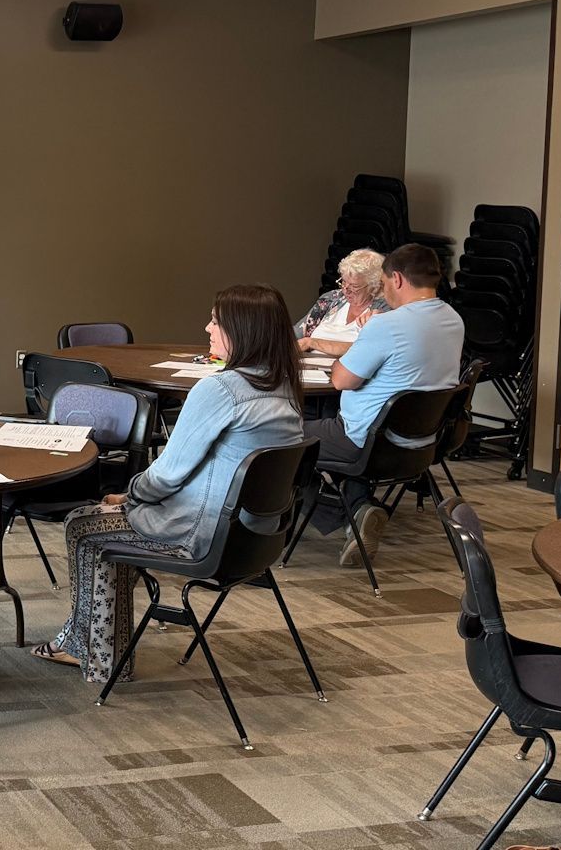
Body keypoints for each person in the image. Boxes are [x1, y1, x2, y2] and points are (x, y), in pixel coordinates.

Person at [33, 285, 305, 682]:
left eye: (216, 320)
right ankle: (97, 645)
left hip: (202, 535)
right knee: (108, 526)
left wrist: (130, 496)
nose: (207, 328)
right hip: (255, 539)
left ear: (241, 331)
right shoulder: (286, 389)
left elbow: (168, 474)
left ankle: (96, 653)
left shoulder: (220, 390)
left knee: (84, 524)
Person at [306, 243, 464, 566]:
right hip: (420, 445)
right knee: (326, 438)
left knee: (279, 436)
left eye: (384, 282)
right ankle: (360, 507)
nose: (384, 290)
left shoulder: (386, 325)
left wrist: (361, 343)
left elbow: (341, 380)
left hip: (364, 441)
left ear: (398, 280)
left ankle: (347, 512)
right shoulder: (453, 321)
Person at [296, 248, 389, 356]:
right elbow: (295, 334)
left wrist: (312, 342)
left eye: (354, 286)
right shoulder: (331, 298)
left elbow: (367, 350)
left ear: (374, 287)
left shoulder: (383, 311)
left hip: (342, 371)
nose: (345, 290)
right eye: (343, 282)